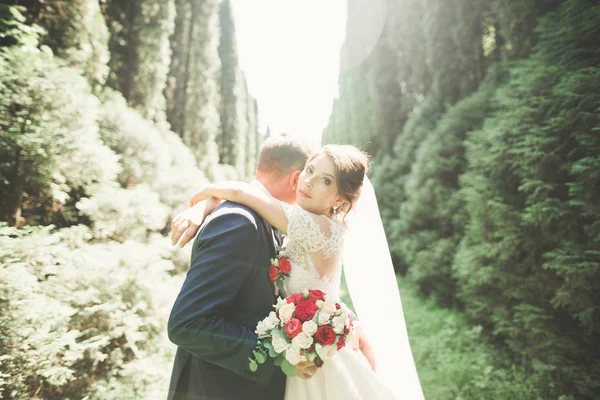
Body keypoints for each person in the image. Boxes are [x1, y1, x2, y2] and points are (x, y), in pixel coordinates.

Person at [183, 144, 424, 399]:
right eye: (309, 170)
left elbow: (242, 193)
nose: (308, 182)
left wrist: (206, 195)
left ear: (339, 199)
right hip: (309, 351)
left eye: (325, 180)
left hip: (315, 358)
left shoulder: (317, 227)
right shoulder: (315, 221)